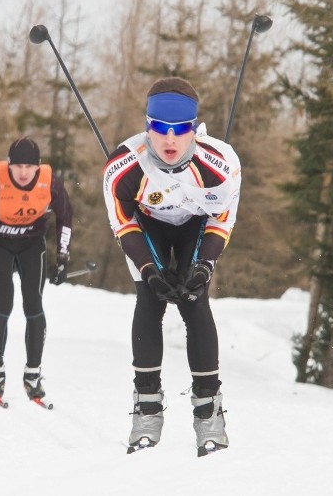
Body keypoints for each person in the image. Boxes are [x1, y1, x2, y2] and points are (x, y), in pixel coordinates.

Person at [101, 77, 241, 453]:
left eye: (180, 130)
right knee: (150, 297)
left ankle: (208, 416)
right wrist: (149, 269)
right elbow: (123, 223)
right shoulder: (123, 166)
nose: (169, 139)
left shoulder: (222, 164)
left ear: (194, 129)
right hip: (149, 227)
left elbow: (221, 221)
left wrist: (203, 267)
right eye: (159, 128)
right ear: (147, 125)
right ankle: (146, 410)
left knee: (195, 301)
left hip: (196, 225)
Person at [0, 137, 73, 403]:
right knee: (3, 302)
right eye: (18, 166)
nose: (23, 172)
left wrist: (62, 257)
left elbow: (66, 216)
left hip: (32, 245)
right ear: (9, 165)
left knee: (34, 305)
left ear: (38, 167)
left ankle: (33, 374)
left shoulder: (52, 183)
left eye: (29, 166)